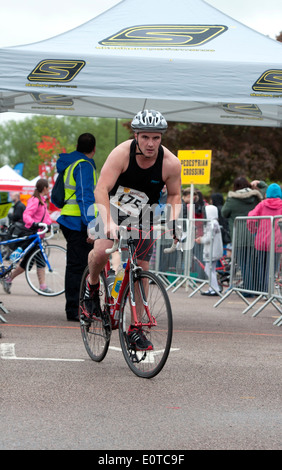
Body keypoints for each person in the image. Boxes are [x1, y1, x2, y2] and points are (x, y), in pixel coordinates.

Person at [86, 110, 182, 350]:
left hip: (144, 215)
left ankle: (136, 328)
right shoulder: (121, 154)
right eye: (146, 137)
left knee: (143, 267)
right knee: (101, 251)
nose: (151, 143)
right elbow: (101, 189)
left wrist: (172, 222)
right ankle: (92, 285)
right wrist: (107, 222)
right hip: (113, 209)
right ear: (136, 135)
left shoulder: (170, 163)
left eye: (156, 138)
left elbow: (174, 194)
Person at [56, 133, 97, 322]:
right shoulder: (84, 165)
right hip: (78, 223)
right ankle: (76, 309)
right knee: (81, 267)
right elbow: (84, 196)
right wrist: (91, 224)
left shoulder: (70, 164)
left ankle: (76, 307)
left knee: (77, 266)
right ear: (93, 149)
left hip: (70, 219)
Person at [3, 179, 53, 293]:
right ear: (44, 188)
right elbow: (27, 215)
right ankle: (43, 286)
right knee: (38, 260)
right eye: (48, 187)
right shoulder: (35, 200)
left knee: (27, 262)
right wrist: (33, 223)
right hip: (32, 233)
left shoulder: (42, 201)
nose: (49, 189)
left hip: (39, 235)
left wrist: (49, 225)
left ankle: (8, 278)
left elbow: (45, 217)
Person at [221, 176, 267, 294]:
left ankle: (248, 290)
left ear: (235, 186)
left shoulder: (231, 199)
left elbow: (224, 213)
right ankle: (257, 289)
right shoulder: (256, 197)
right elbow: (266, 190)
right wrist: (259, 183)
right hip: (254, 234)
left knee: (244, 264)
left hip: (239, 236)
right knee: (254, 263)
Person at [247, 183, 282, 293]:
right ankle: (270, 290)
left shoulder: (262, 204)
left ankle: (263, 290)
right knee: (273, 268)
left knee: (261, 267)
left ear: (267, 194)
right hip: (277, 241)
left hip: (261, 240)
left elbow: (251, 218)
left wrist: (254, 231)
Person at [195, 205, 223, 296]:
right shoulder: (214, 222)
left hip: (212, 250)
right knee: (211, 269)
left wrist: (201, 239)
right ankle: (212, 288)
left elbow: (209, 238)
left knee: (208, 269)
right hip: (213, 249)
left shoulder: (212, 223)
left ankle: (215, 288)